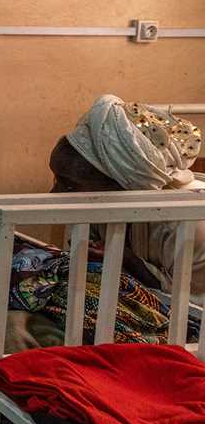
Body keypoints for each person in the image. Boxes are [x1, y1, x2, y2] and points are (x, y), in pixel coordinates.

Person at [50, 95, 205, 293]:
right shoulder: (101, 207)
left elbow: (193, 308)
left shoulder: (189, 225)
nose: (54, 193)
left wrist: (128, 260)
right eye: (56, 180)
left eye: (69, 185)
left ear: (119, 185)